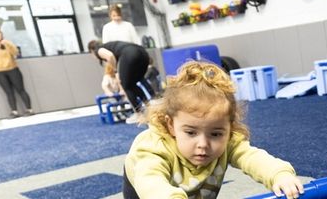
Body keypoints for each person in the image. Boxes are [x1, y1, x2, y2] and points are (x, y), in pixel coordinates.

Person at [123, 60, 305, 199]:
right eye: (191, 132)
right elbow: (150, 181)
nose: (203, 144)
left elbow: (252, 157)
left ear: (229, 127)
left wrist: (279, 175)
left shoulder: (228, 141)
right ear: (171, 125)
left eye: (216, 134)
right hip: (143, 189)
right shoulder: (153, 148)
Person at [88, 39, 155, 123]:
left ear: (91, 51)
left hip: (130, 54)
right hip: (143, 53)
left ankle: (139, 114)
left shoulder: (99, 50)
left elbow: (110, 56)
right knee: (133, 83)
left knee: (126, 85)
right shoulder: (111, 45)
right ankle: (151, 108)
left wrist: (116, 70)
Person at [0, 26, 34, 118]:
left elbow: (16, 53)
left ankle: (29, 109)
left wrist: (8, 45)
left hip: (12, 70)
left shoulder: (7, 43)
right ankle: (14, 112)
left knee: (20, 90)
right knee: (9, 92)